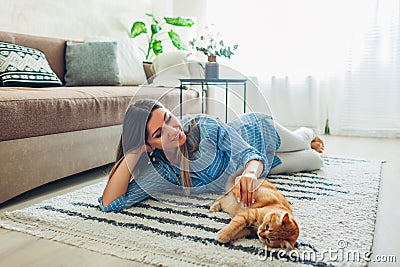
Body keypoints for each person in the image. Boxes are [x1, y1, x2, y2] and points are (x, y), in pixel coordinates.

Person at [99, 99, 324, 212]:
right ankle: (307, 142)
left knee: (303, 143)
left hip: (259, 133)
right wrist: (134, 153)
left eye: (169, 118)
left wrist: (249, 175)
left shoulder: (203, 126)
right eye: (159, 134)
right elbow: (110, 203)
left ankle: (306, 133)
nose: (173, 130)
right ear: (150, 147)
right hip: (263, 165)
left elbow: (249, 154)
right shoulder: (163, 171)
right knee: (315, 160)